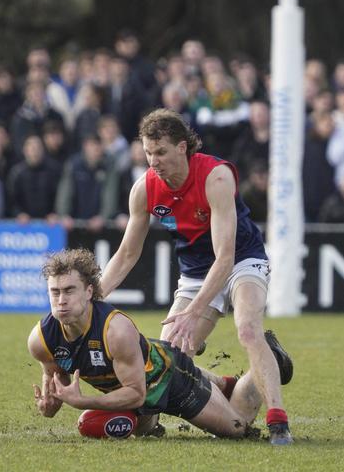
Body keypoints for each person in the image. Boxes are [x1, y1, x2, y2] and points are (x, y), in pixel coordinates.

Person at [99, 109, 293, 445]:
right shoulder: (144, 189)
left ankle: (279, 423)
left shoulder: (215, 178)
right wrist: (93, 297)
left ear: (182, 147)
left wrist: (192, 312)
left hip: (242, 260)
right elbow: (127, 254)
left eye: (160, 152)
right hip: (194, 273)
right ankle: (233, 381)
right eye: (147, 152)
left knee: (247, 329)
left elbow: (226, 257)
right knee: (162, 363)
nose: (153, 161)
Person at [28, 248, 294, 441]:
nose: (60, 300)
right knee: (124, 428)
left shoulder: (115, 330)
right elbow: (56, 384)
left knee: (239, 428)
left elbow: (136, 394)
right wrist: (50, 405)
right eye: (55, 292)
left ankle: (269, 359)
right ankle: (215, 388)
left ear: (89, 292)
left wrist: (84, 400)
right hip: (135, 385)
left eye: (69, 290)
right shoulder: (41, 340)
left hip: (168, 379)